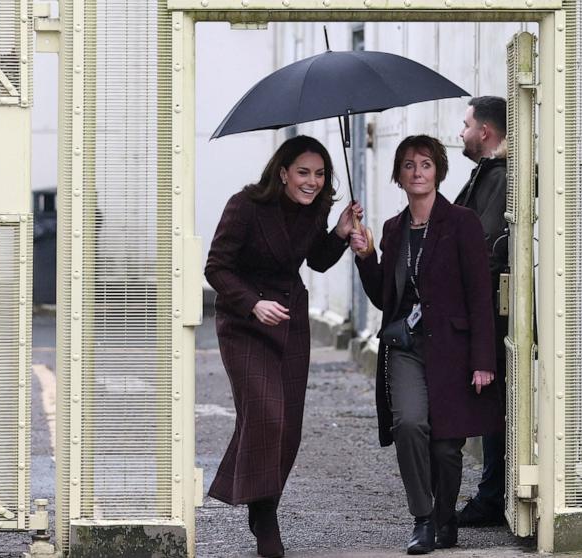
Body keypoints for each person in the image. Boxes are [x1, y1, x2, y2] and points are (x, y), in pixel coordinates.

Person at [205, 135, 361, 558]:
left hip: (290, 322)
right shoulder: (246, 205)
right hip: (244, 322)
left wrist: (342, 232)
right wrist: (253, 304)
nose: (312, 182)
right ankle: (265, 515)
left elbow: (316, 260)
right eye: (303, 172)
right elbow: (216, 267)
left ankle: (264, 504)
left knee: (288, 423)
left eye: (320, 173)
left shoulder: (317, 209)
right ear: (283, 173)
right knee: (266, 413)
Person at [349, 135, 502, 554]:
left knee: (446, 445)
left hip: (452, 347)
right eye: (409, 166)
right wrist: (365, 256)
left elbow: (479, 294)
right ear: (398, 176)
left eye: (426, 164)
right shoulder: (393, 229)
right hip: (405, 346)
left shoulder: (462, 223)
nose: (418, 172)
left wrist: (483, 360)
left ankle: (445, 516)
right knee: (410, 425)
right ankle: (422, 519)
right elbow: (385, 297)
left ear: (438, 171)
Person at [455, 96, 510, 527]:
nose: (462, 132)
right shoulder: (489, 175)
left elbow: (487, 247)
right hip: (485, 307)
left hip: (493, 310)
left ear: (485, 132)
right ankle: (493, 492)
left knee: (494, 402)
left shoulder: (501, 176)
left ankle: (493, 496)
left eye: (466, 124)